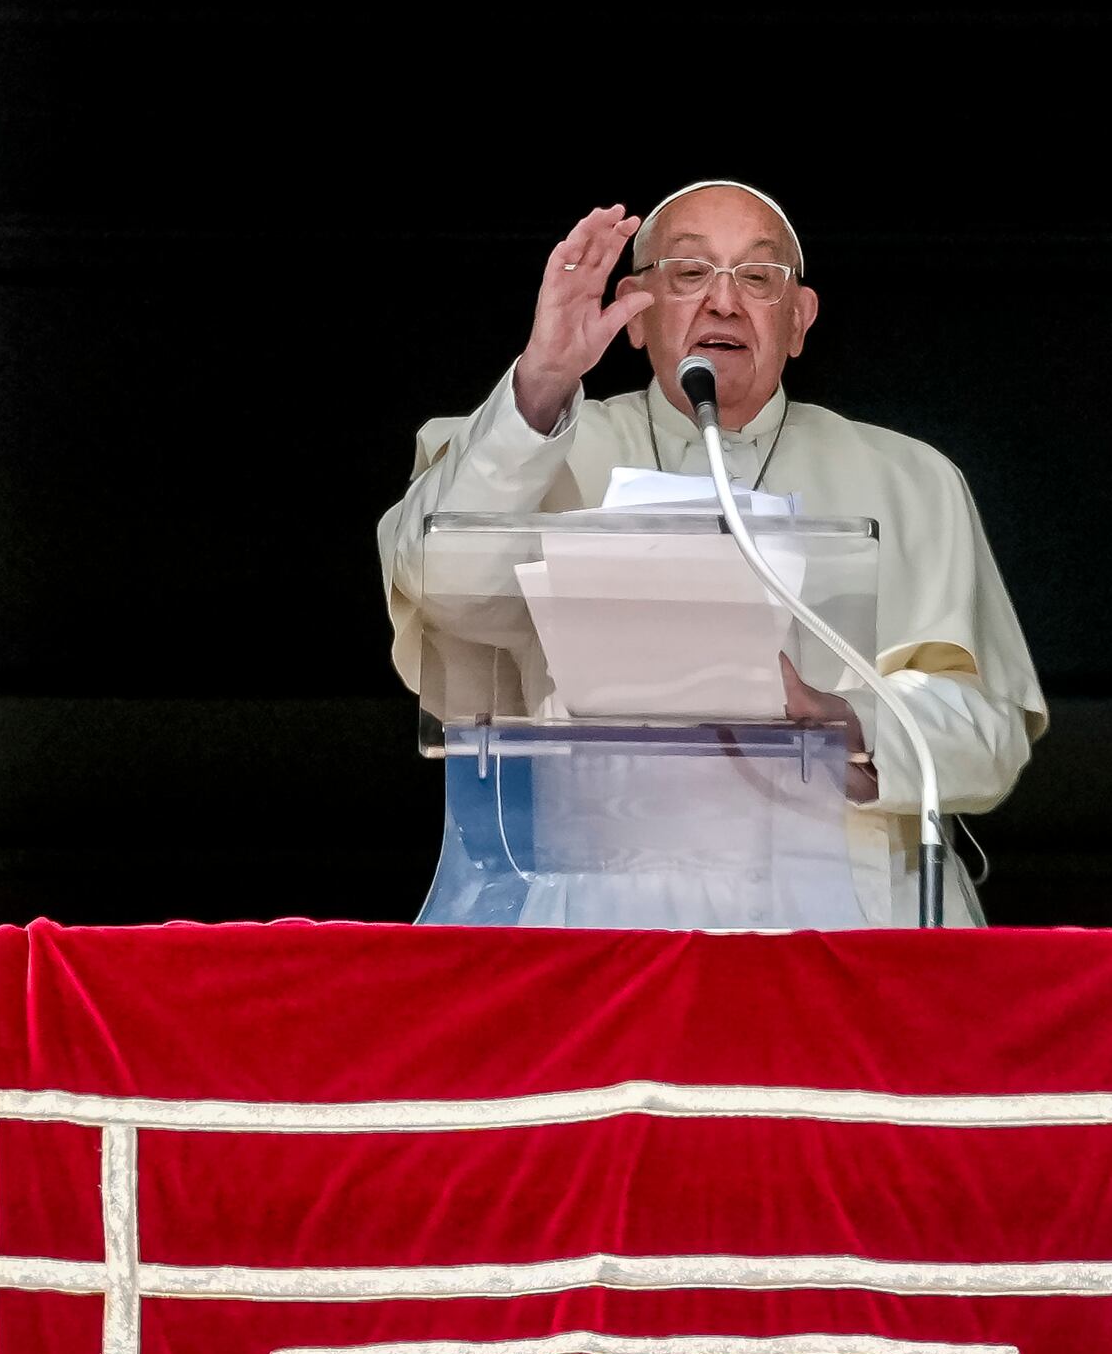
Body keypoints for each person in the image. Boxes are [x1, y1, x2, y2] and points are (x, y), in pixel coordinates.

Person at [379, 184, 1046, 925]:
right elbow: (438, 578)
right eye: (690, 273)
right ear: (634, 309)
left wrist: (847, 722)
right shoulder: (542, 442)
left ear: (799, 321)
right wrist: (543, 378)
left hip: (846, 908)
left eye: (759, 278)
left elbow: (990, 736)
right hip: (603, 904)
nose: (724, 302)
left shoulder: (912, 478)